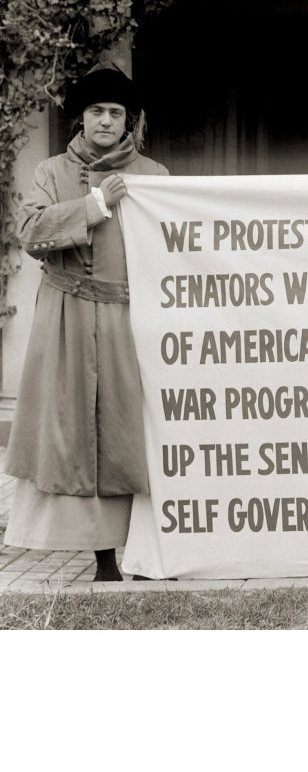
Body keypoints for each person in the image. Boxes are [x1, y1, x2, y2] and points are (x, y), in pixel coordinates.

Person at [3, 64, 169, 579]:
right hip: (67, 317)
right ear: (82, 117)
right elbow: (31, 233)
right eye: (96, 111)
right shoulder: (50, 172)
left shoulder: (157, 177)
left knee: (130, 431)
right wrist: (96, 204)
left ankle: (142, 549)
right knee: (71, 429)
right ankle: (99, 558)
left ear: (129, 121)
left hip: (129, 318)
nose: (105, 121)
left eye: (115, 113)